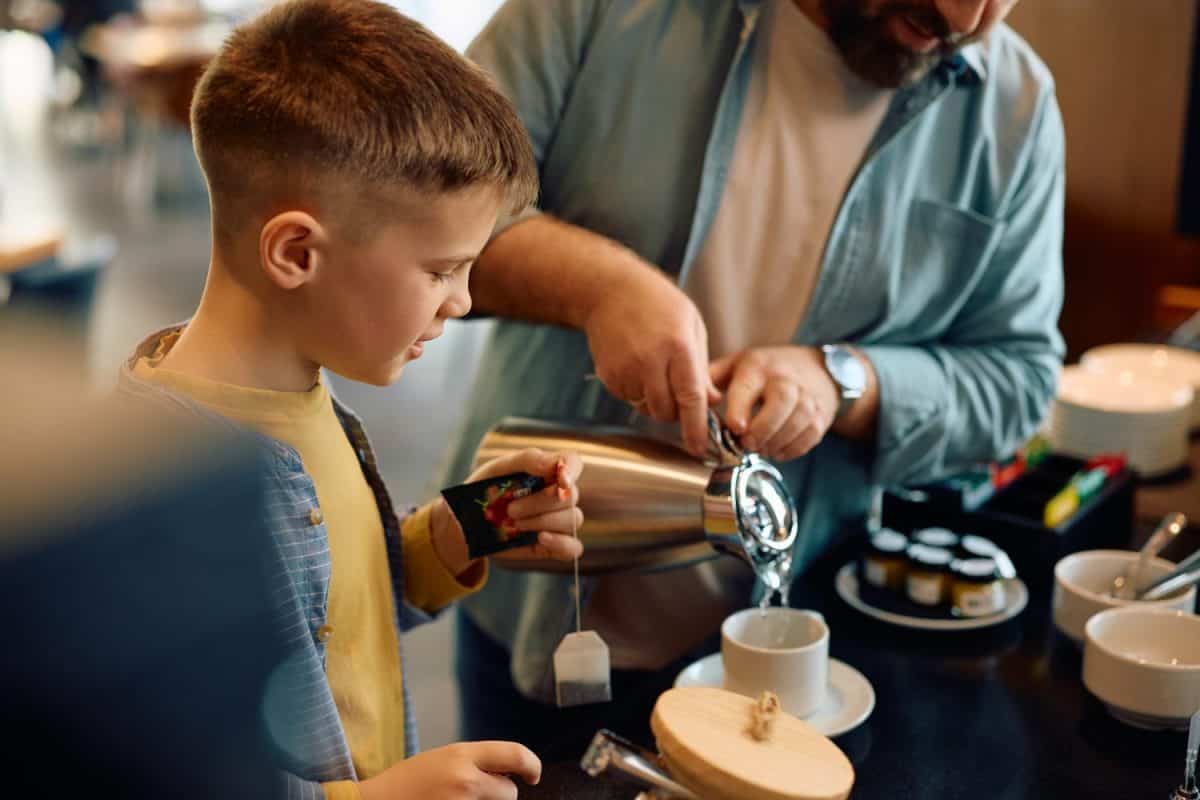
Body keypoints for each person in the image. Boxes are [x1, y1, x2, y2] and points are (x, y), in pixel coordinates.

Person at [445, 0, 1065, 759]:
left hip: (799, 654)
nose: (966, 17)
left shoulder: (1015, 107)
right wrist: (596, 286)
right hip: (528, 604)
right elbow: (407, 203)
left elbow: (1020, 377)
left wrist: (845, 380)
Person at [116, 1, 587, 797]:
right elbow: (166, 763)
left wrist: (459, 530)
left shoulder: (305, 394)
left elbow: (343, 610)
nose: (463, 301)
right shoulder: (159, 499)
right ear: (297, 252)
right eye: (441, 270)